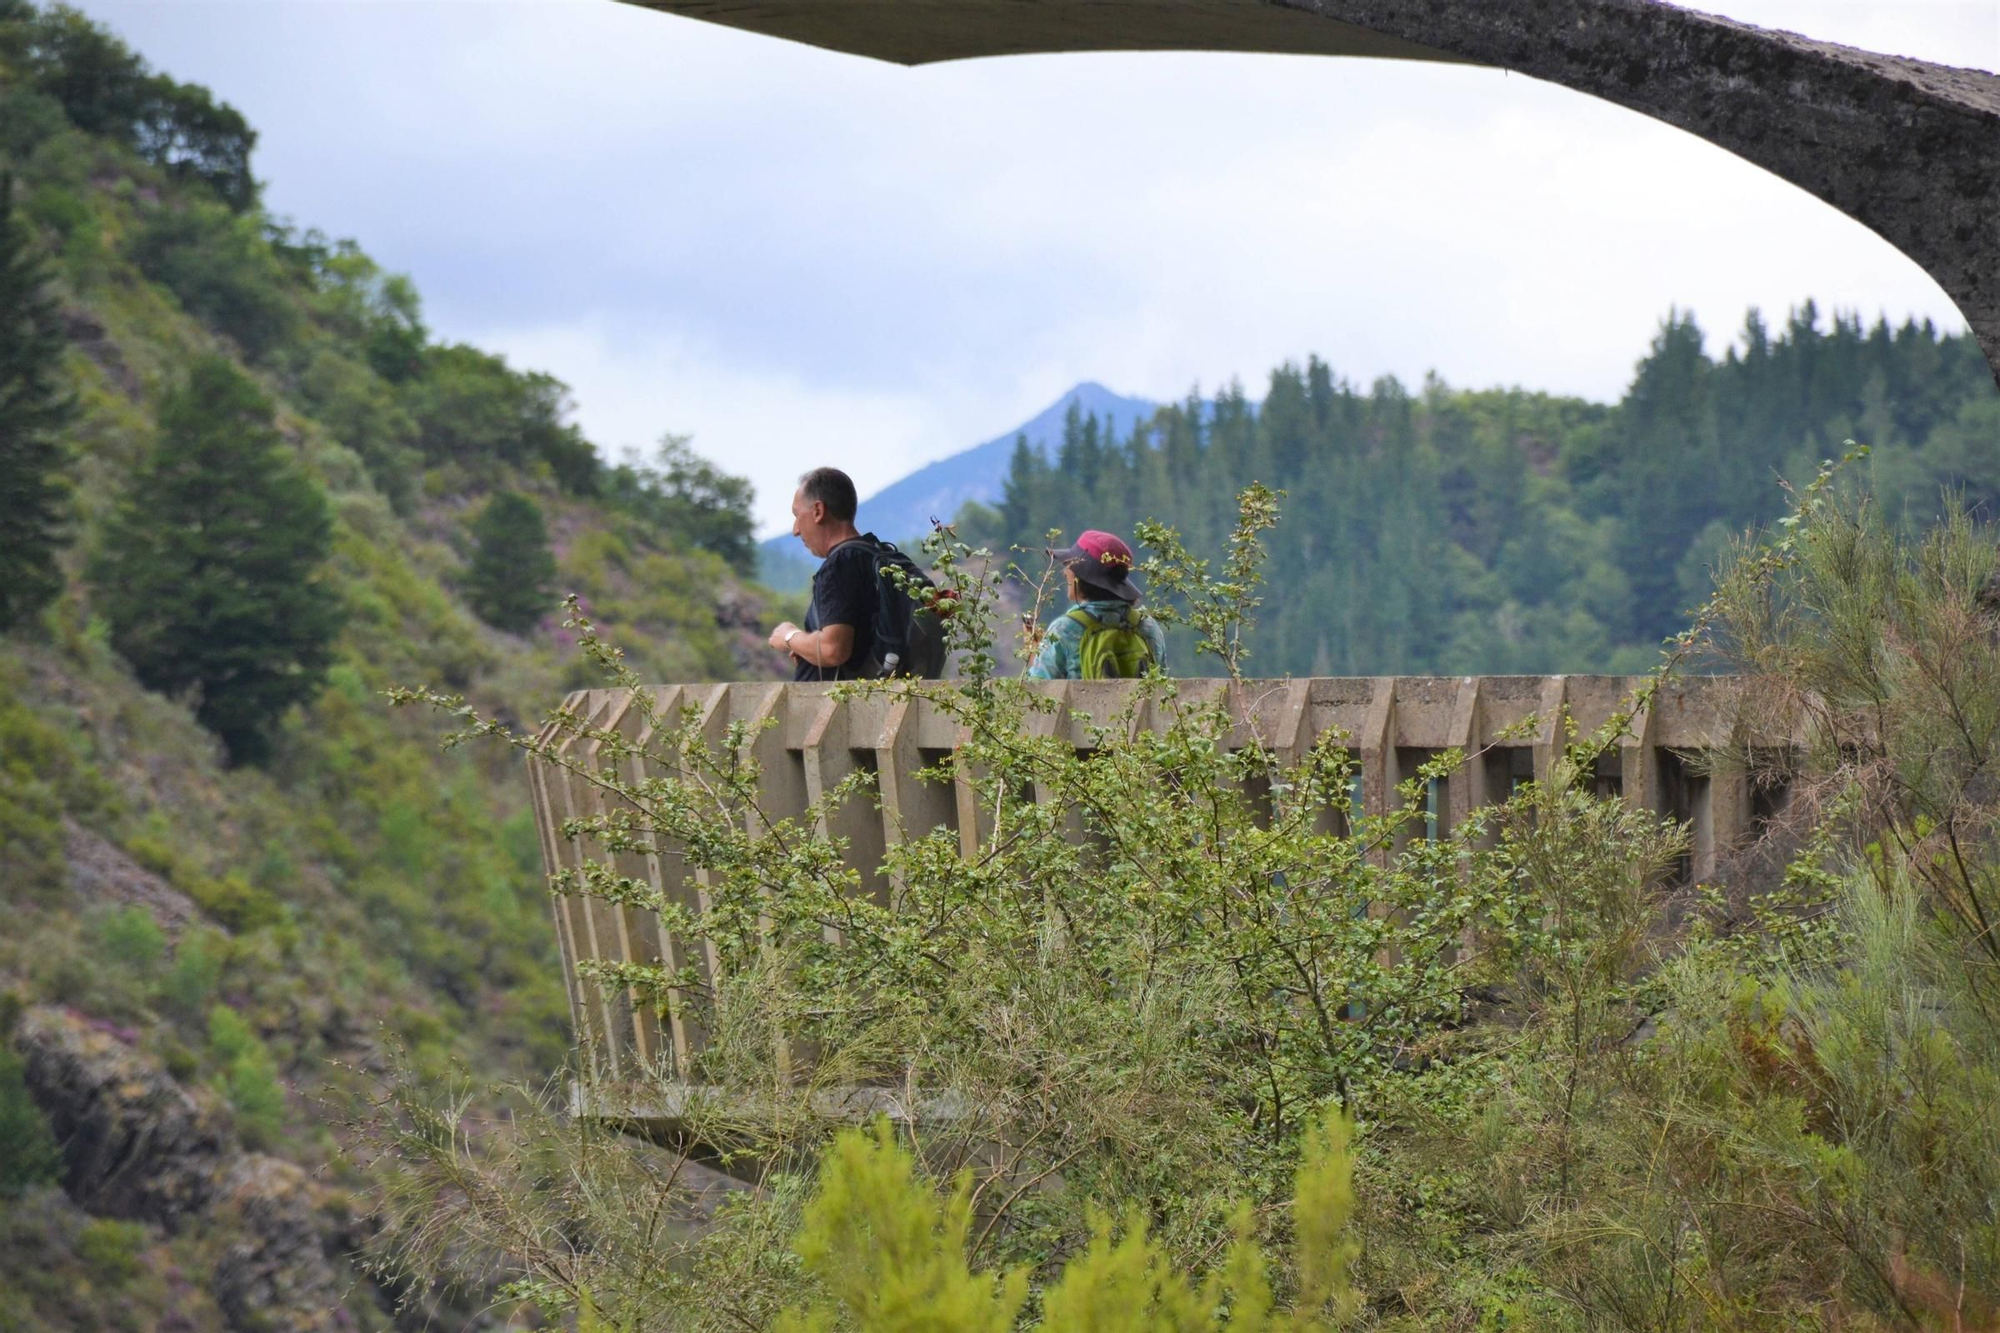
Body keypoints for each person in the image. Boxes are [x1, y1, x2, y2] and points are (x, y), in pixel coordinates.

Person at [768, 467, 880, 681]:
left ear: (818, 511)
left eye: (797, 515)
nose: (795, 530)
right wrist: (807, 647)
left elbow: (833, 649)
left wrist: (789, 636)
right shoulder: (874, 555)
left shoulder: (839, 565)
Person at [1027, 529, 1166, 680]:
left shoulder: (1064, 630)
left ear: (1081, 577)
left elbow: (1038, 692)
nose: (1065, 572)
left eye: (1070, 566)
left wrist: (1034, 653)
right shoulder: (1148, 627)